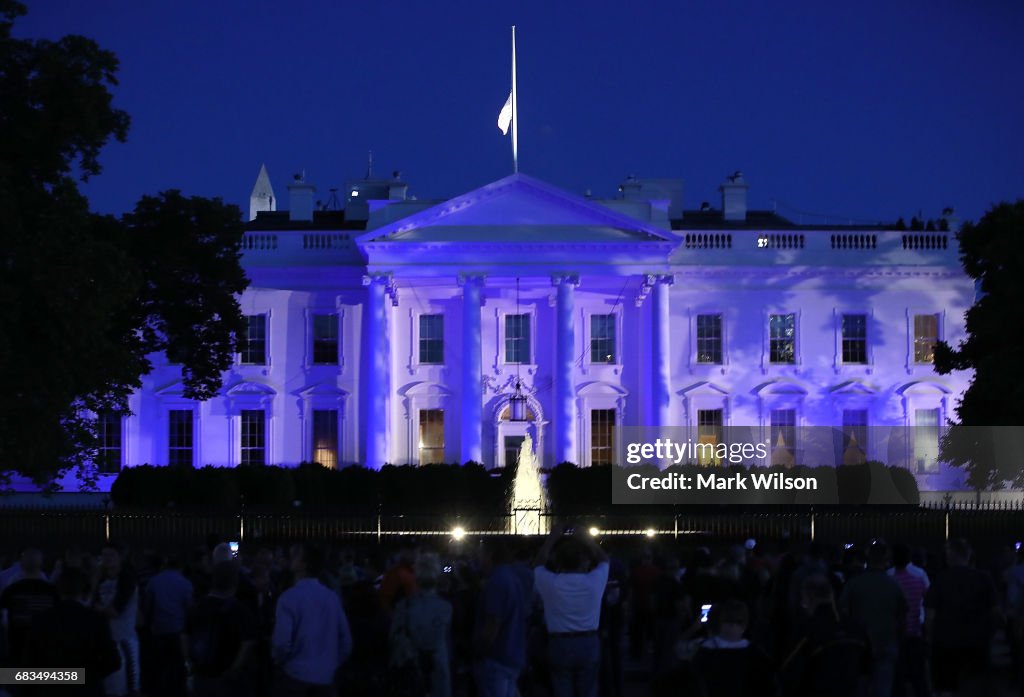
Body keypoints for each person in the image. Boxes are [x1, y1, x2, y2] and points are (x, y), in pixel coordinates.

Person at [533, 523, 609, 697]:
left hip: (559, 643)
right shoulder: (594, 582)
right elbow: (604, 559)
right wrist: (587, 539)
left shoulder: (550, 583)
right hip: (588, 641)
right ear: (584, 562)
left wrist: (552, 539)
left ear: (558, 562)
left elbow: (538, 563)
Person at [21, 567, 121, 697]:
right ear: (85, 590)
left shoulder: (41, 619)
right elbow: (113, 661)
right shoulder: (96, 620)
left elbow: (28, 662)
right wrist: (86, 677)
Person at [272, 543, 353, 696]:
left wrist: (281, 661)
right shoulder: (332, 598)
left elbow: (281, 643)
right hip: (326, 679)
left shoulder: (288, 598)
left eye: (296, 555)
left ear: (303, 564)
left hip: (295, 676)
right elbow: (346, 642)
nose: (291, 558)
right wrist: (330, 664)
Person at [925, 538, 999, 696]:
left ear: (949, 555)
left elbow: (930, 615)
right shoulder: (983, 578)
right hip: (976, 641)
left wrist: (930, 637)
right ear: (968, 555)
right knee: (975, 685)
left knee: (945, 687)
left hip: (945, 642)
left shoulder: (940, 579)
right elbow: (995, 612)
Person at [840, 542, 905, 697]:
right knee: (883, 690)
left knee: (859, 688)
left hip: (859, 644)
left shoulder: (854, 584)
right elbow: (903, 616)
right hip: (886, 641)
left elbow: (842, 611)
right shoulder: (893, 585)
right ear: (886, 560)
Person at [184, 561, 258, 697]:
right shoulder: (241, 610)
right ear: (235, 582)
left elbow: (185, 636)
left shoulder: (197, 606)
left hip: (201, 672)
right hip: (226, 677)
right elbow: (247, 643)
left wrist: (189, 662)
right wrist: (234, 670)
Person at [473, 539, 533, 697]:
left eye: (480, 553)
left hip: (497, 657)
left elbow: (492, 624)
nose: (477, 557)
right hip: (513, 654)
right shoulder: (512, 578)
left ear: (490, 555)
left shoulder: (496, 582)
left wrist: (477, 650)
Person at [390, 553, 453, 697]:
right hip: (438, 674)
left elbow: (393, 639)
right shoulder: (446, 608)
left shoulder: (404, 607)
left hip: (411, 673)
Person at [689, 599, 777, 696]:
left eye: (736, 622)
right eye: (729, 621)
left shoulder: (702, 651)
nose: (732, 626)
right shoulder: (757, 657)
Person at [140, 554, 193, 697]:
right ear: (181, 568)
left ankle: (159, 690)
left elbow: (147, 606)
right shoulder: (186, 583)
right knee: (177, 665)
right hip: (178, 630)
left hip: (158, 629)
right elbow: (190, 608)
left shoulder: (154, 581)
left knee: (159, 665)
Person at [93, 543, 140, 697]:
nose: (106, 559)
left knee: (129, 684)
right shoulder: (100, 581)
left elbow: (115, 611)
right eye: (104, 555)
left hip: (124, 638)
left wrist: (97, 608)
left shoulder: (127, 580)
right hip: (107, 640)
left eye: (111, 555)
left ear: (120, 557)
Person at [0, 547, 57, 665]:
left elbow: (3, 616)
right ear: (41, 564)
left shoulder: (11, 589)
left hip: (17, 644)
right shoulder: (52, 591)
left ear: (22, 564)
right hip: (44, 645)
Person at [889, 543, 928, 697]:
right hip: (915, 631)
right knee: (919, 677)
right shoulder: (919, 578)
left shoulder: (888, 580)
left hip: (895, 635)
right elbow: (926, 602)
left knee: (897, 678)